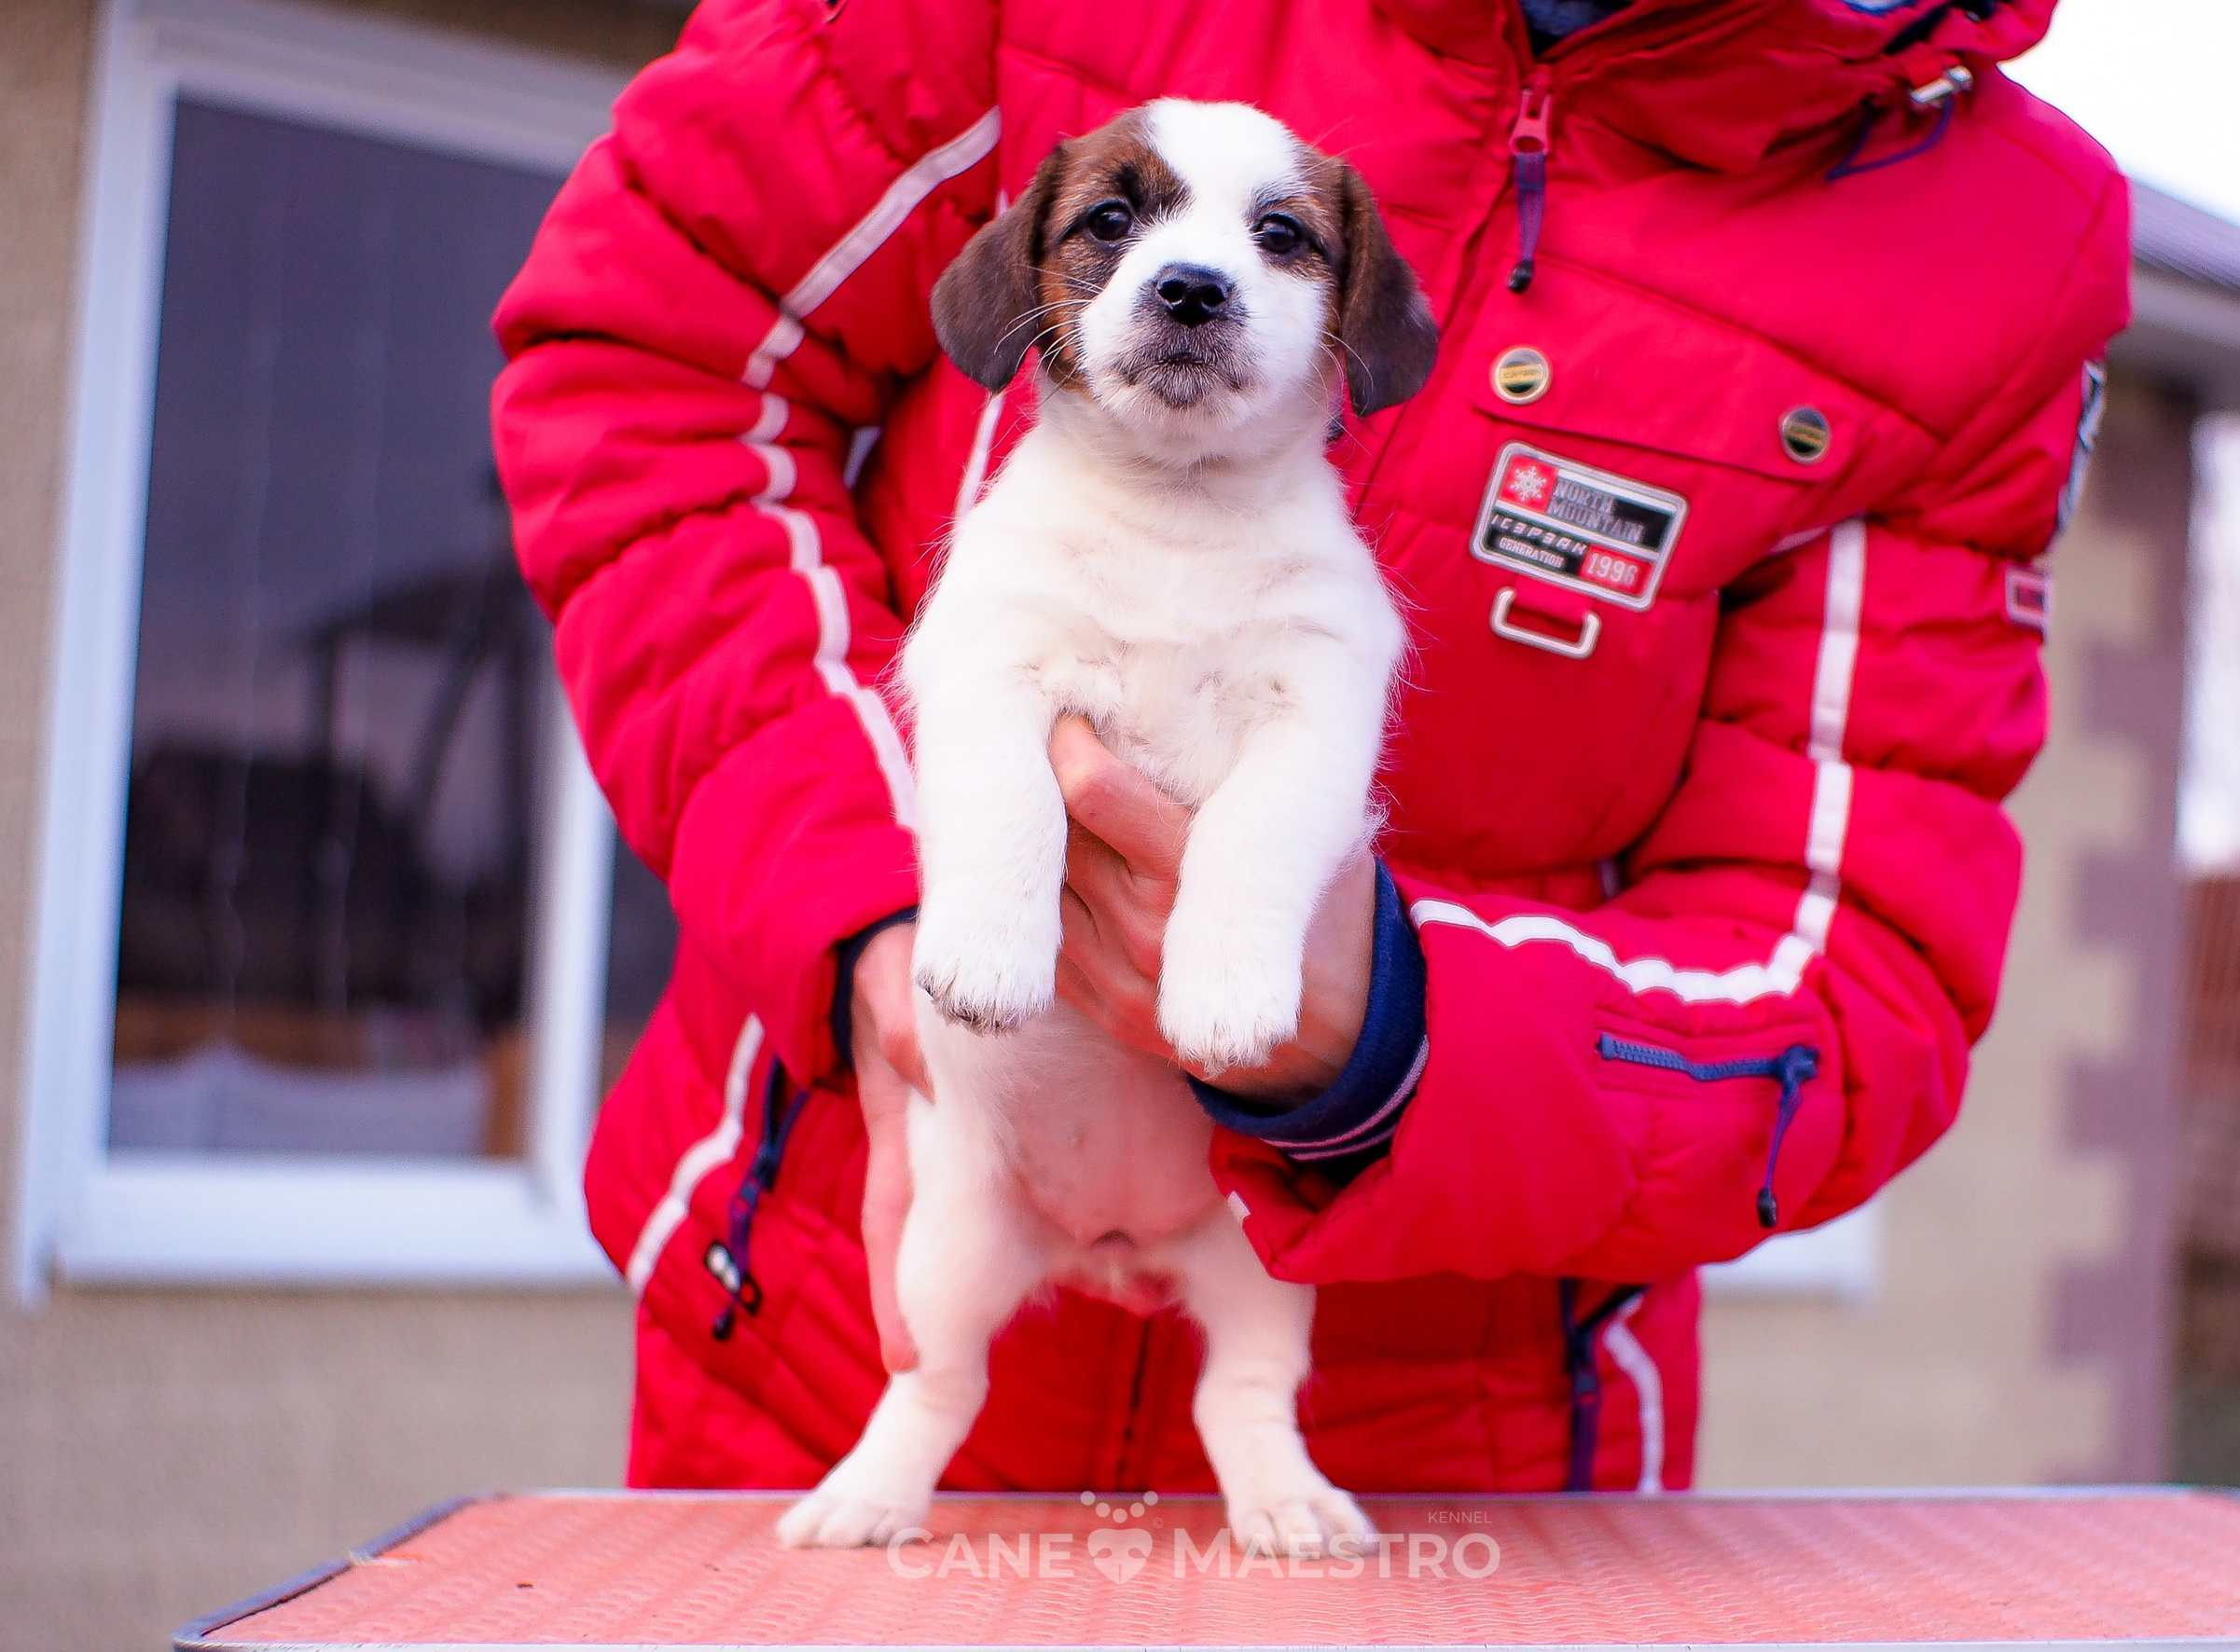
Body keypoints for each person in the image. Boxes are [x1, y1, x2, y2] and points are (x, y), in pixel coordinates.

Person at [492, 0, 2129, 1495]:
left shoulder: (1996, 248)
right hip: (832, 1331)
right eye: (1132, 224)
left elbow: (1854, 980)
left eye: (1276, 242)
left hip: (1443, 1449)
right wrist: (870, 896)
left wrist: (1401, 1034)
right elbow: (651, 360)